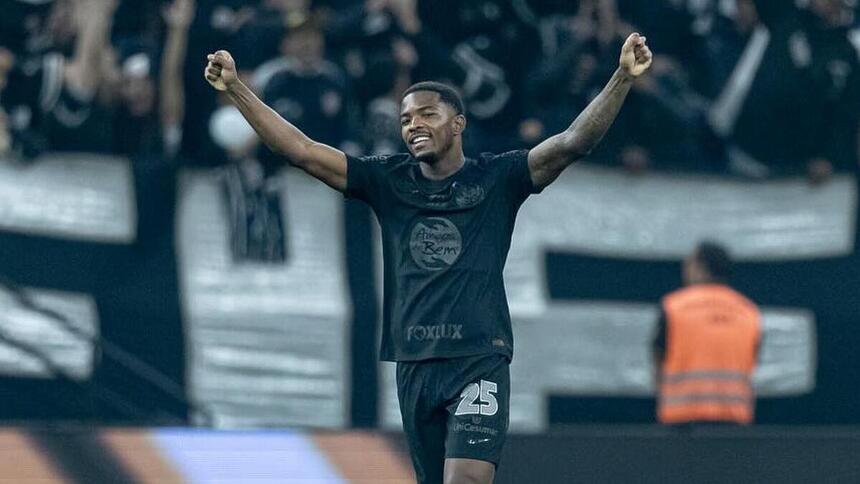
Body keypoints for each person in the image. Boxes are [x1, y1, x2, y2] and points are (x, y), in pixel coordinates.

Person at [203, 31, 652, 484]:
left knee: (467, 480)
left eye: (426, 114)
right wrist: (238, 88)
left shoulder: (499, 177)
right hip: (414, 361)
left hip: (478, 356)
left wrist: (621, 77)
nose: (413, 124)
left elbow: (574, 141)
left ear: (458, 124)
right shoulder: (387, 180)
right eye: (405, 119)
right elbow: (300, 150)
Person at [653, 241, 762, 425]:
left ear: (701, 267)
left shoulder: (674, 307)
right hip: (733, 419)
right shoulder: (748, 311)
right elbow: (753, 359)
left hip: (682, 421)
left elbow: (658, 356)